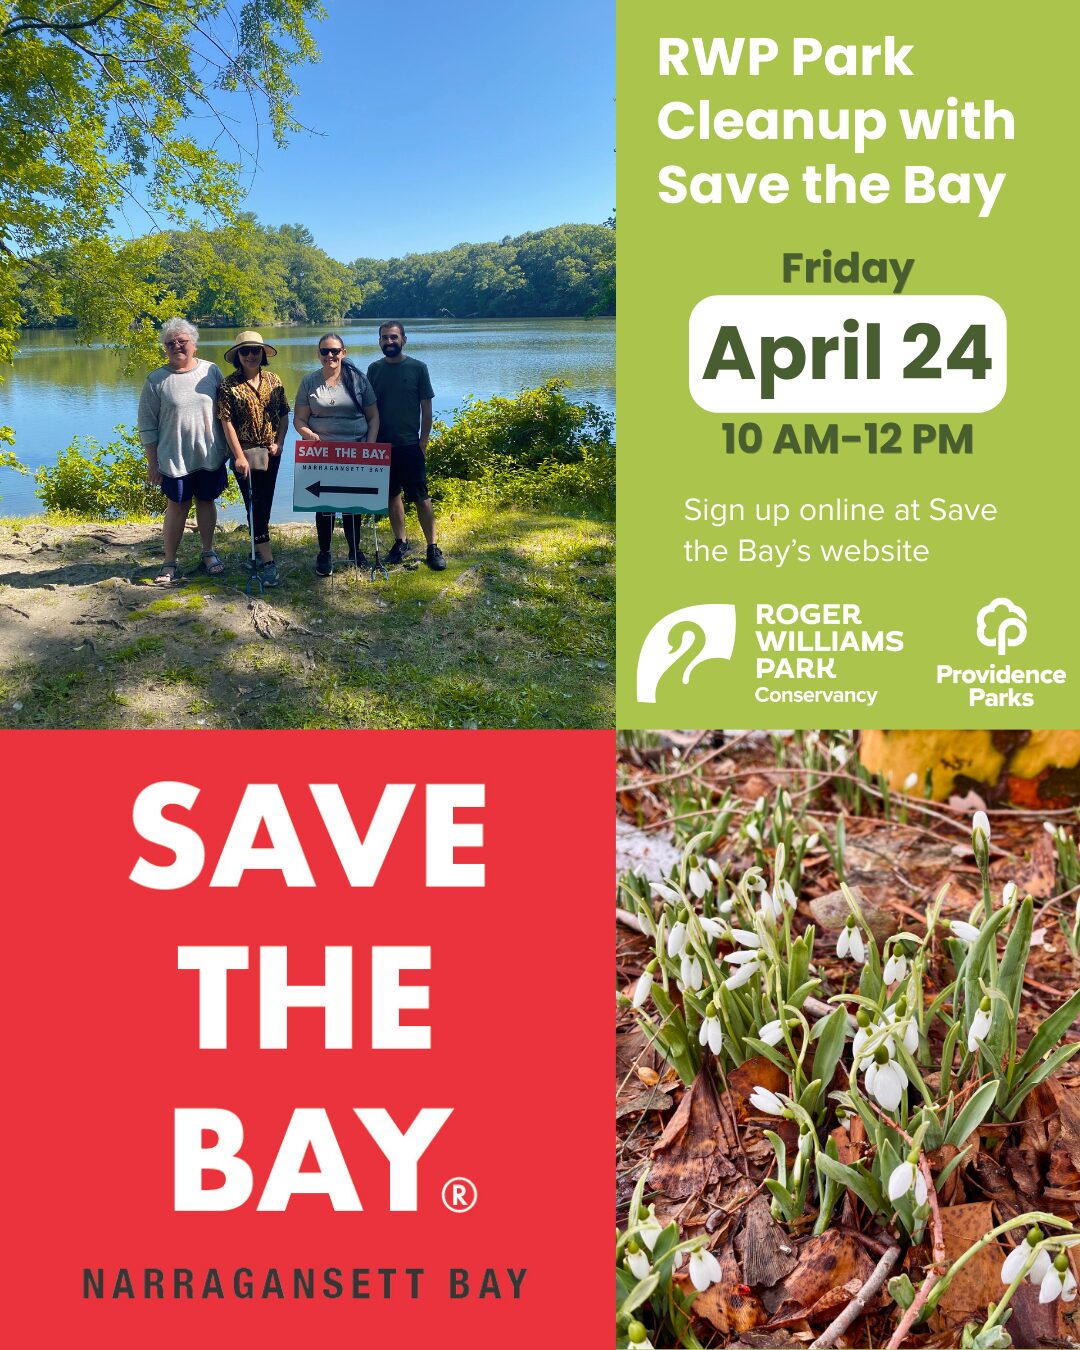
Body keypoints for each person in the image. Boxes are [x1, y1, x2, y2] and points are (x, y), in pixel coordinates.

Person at [138, 317, 228, 585]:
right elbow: (147, 426)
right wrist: (152, 463)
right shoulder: (156, 380)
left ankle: (208, 552)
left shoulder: (212, 372)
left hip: (209, 454)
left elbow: (226, 415)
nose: (176, 345)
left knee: (206, 502)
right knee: (177, 506)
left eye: (182, 341)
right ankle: (169, 562)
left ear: (194, 345)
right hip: (173, 458)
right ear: (165, 348)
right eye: (170, 343)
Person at [294, 332, 380, 576]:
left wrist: (370, 447)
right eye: (324, 351)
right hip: (322, 455)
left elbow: (373, 417)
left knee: (353, 504)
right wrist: (308, 434)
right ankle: (325, 552)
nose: (329, 355)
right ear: (318, 354)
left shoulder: (358, 381)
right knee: (324, 505)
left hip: (356, 451)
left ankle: (355, 551)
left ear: (344, 353)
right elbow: (299, 419)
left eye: (334, 351)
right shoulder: (309, 382)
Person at [366, 321, 445, 570]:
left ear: (403, 339)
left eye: (393, 337)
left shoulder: (418, 368)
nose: (389, 342)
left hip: (410, 445)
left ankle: (432, 547)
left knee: (421, 498)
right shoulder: (373, 370)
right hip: (382, 446)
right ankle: (401, 542)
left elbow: (427, 411)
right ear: (379, 341)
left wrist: (422, 443)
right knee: (392, 496)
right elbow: (369, 409)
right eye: (384, 338)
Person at [217, 330, 291, 587]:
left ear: (263, 353)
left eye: (255, 350)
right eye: (245, 351)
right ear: (238, 355)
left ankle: (257, 547)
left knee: (265, 502)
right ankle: (268, 561)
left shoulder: (274, 380)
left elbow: (283, 415)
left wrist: (280, 443)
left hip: (271, 453)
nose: (250, 355)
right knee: (255, 503)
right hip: (246, 454)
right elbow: (226, 423)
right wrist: (238, 456)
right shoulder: (229, 385)